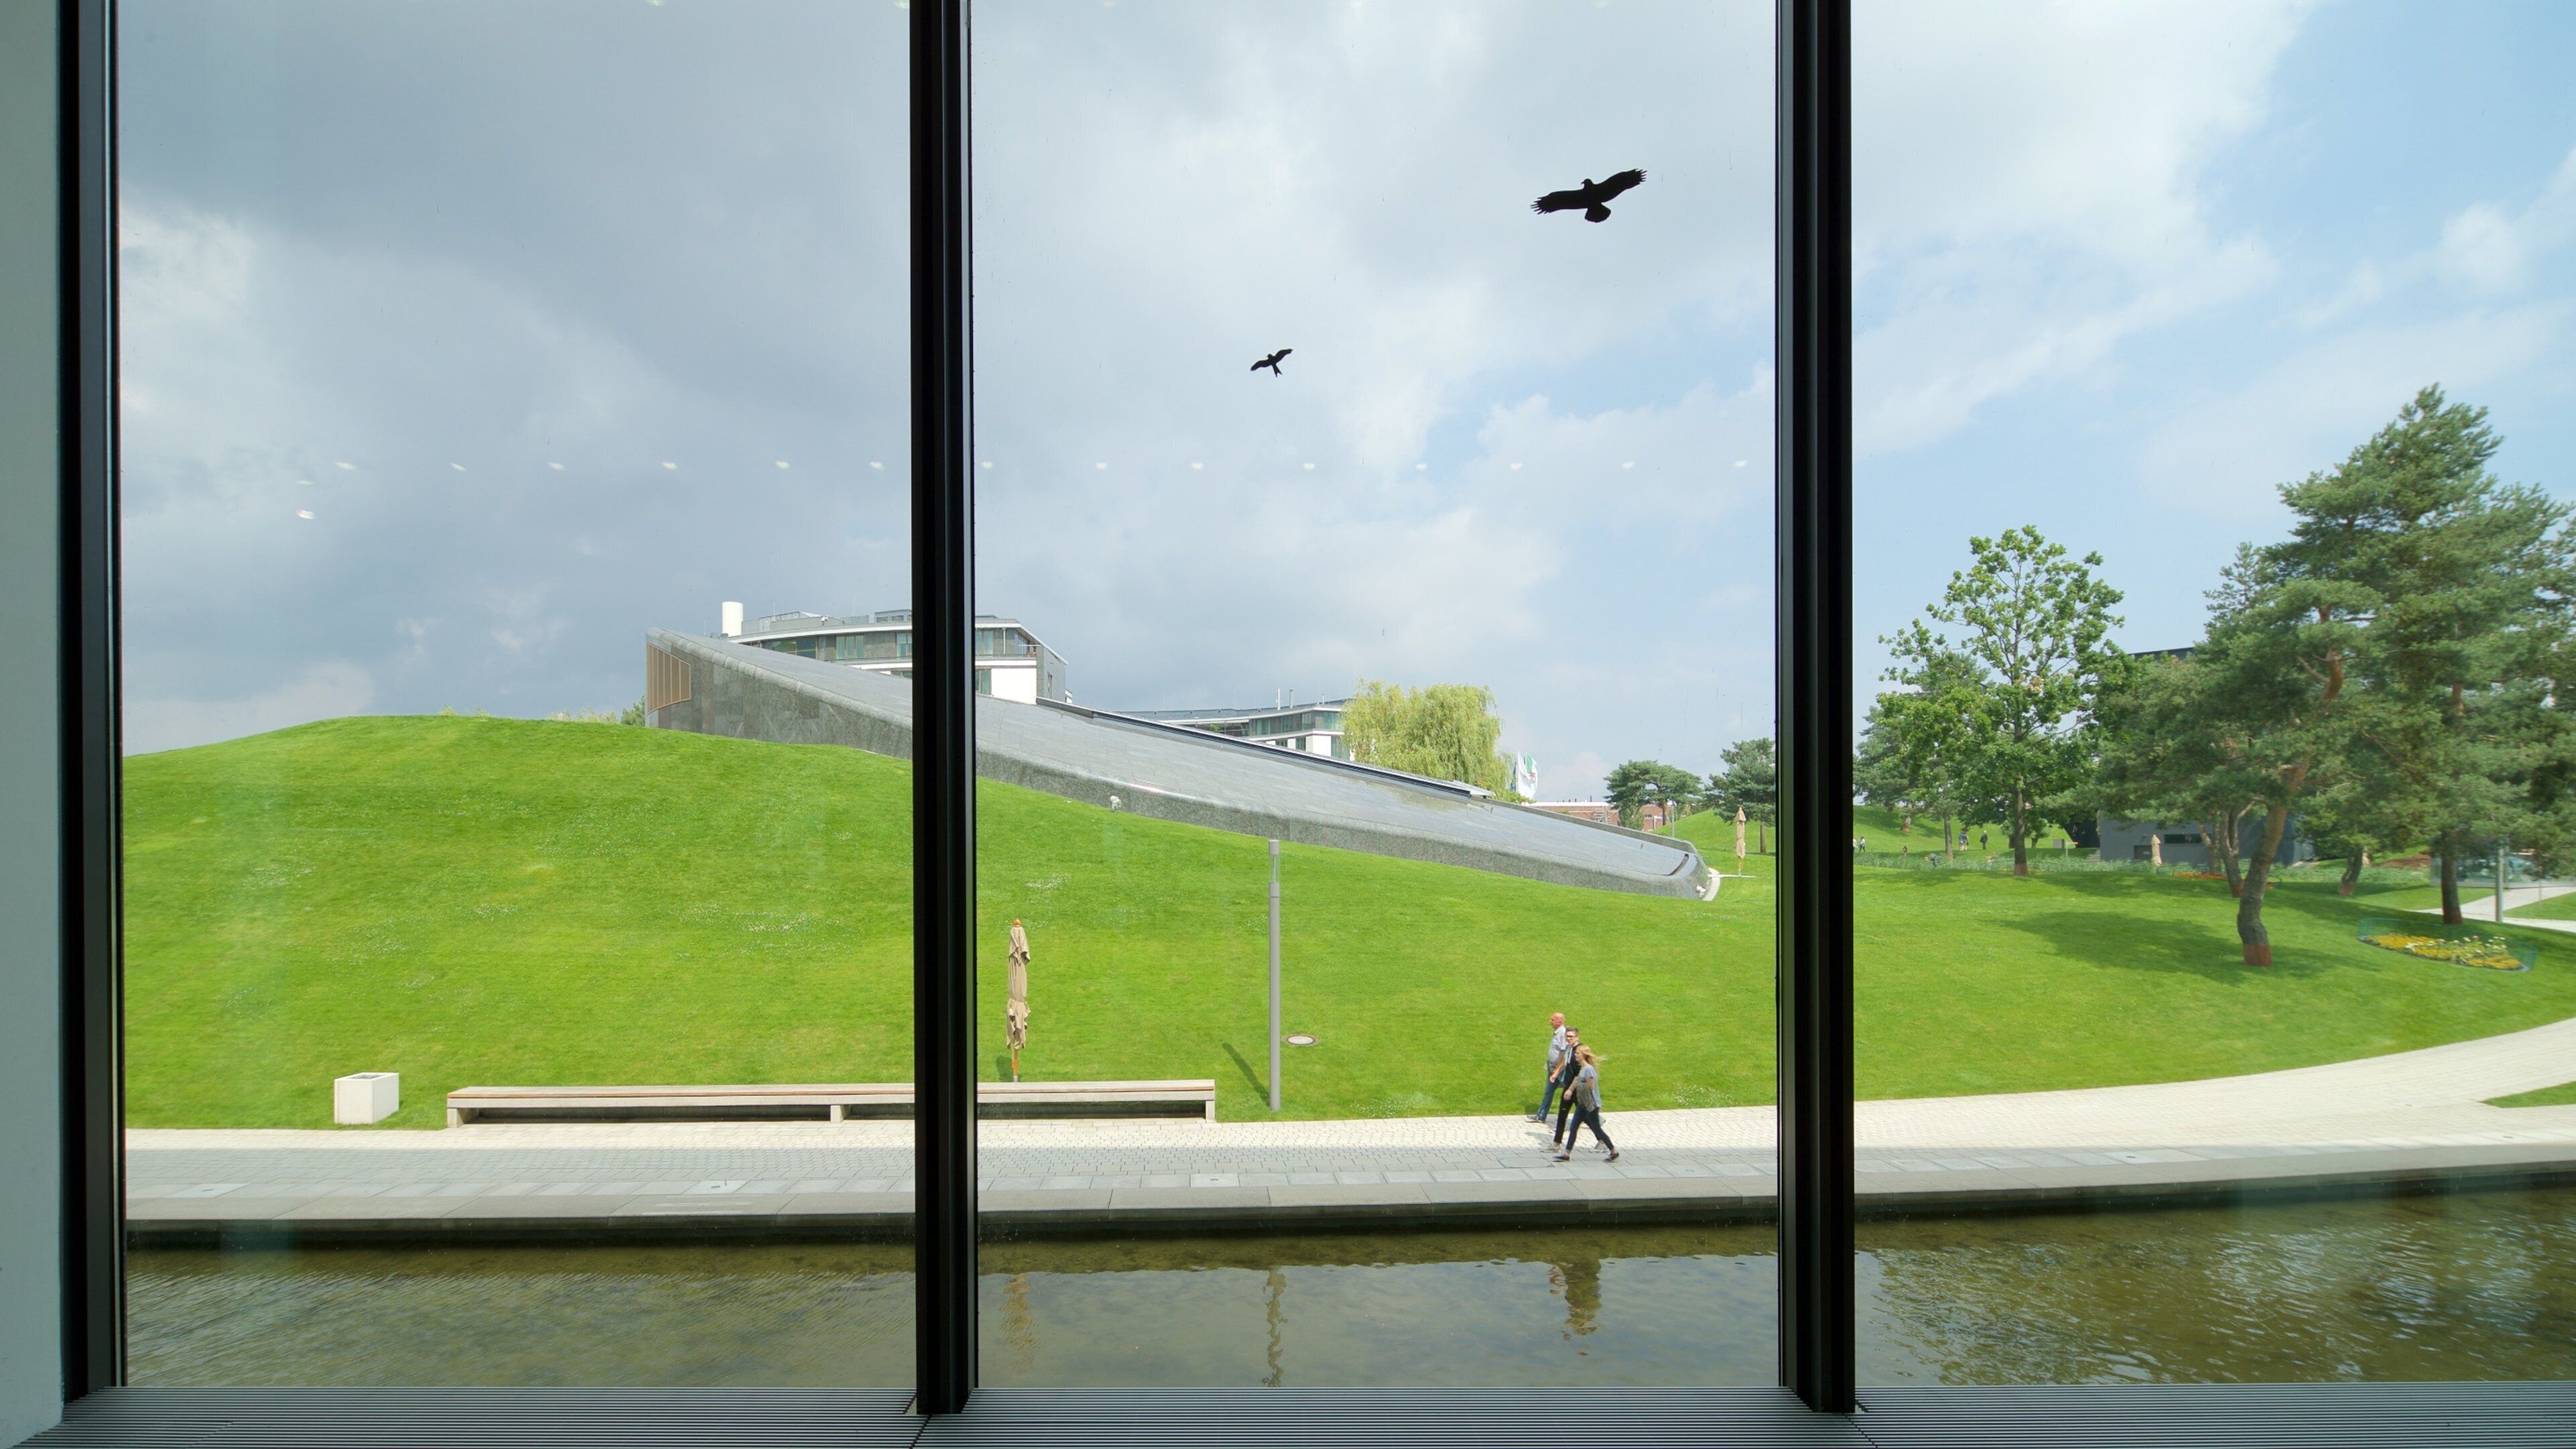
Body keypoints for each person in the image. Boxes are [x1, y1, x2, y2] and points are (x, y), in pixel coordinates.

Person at [1555, 1045, 1617, 1162]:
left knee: (1597, 1129)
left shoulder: (1589, 1070)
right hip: (1582, 1103)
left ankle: (1614, 1151)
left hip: (1591, 1104)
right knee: (1574, 1127)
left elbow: (1591, 1087)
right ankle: (1566, 1154)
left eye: (1578, 1053)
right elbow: (1578, 1079)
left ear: (1583, 1055)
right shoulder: (1583, 1069)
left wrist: (1579, 1086)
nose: (1575, 1055)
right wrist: (1570, 1090)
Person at [1527, 1012, 1569, 1122]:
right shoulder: (1557, 1032)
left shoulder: (1562, 1033)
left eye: (1552, 1020)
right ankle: (1541, 1116)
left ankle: (1596, 1118)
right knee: (1548, 1091)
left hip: (1559, 1069)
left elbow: (1563, 1052)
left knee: (1573, 1092)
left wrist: (1557, 1069)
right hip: (1553, 1067)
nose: (1550, 1022)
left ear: (1559, 1022)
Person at [1548, 1027, 1585, 1147]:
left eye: (1571, 1037)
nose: (1569, 1039)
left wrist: (1570, 1090)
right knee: (1562, 1114)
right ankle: (1556, 1142)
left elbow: (1579, 1073)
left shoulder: (1579, 1051)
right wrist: (1556, 1073)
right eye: (1567, 1036)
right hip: (1569, 1086)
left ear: (1577, 1037)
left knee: (1586, 1116)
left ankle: (1602, 1140)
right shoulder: (1570, 1049)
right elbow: (1565, 1062)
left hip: (1577, 1088)